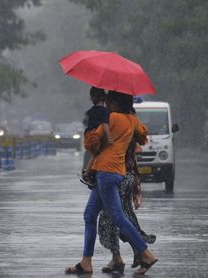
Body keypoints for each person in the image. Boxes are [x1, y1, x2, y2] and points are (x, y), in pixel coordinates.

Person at [65, 91, 158, 276]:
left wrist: (91, 130)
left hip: (106, 172)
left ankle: (145, 253)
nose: (107, 103)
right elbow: (143, 136)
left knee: (117, 216)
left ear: (114, 102)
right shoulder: (132, 119)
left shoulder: (112, 117)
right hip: (116, 171)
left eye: (109, 101)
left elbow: (91, 142)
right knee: (90, 215)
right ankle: (86, 262)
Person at [98, 136, 156, 274]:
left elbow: (99, 148)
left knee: (112, 218)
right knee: (122, 216)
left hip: (118, 174)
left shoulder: (114, 124)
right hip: (128, 174)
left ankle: (143, 254)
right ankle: (118, 257)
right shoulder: (130, 123)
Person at [80, 87, 113, 187]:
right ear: (104, 98)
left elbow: (86, 121)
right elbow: (104, 124)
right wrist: (109, 137)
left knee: (94, 155)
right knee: (98, 155)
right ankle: (88, 174)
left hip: (89, 137)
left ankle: (88, 173)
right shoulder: (104, 111)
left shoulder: (90, 111)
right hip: (96, 138)